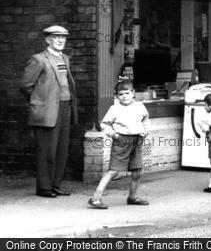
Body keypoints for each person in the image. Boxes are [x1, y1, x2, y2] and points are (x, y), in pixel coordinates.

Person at [19, 25, 78, 198]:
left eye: (63, 37)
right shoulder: (39, 59)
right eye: (56, 37)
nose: (60, 40)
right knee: (47, 151)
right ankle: (44, 187)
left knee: (61, 149)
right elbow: (25, 85)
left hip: (65, 107)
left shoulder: (65, 58)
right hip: (47, 111)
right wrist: (40, 102)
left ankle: (55, 185)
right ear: (47, 40)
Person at [88, 80, 149, 209]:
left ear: (133, 93)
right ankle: (96, 197)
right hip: (121, 141)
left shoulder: (140, 107)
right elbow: (104, 124)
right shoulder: (115, 109)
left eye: (127, 93)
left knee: (137, 170)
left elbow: (145, 120)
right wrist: (114, 135)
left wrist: (144, 132)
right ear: (116, 96)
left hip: (136, 140)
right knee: (114, 171)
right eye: (121, 94)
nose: (124, 96)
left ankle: (132, 196)